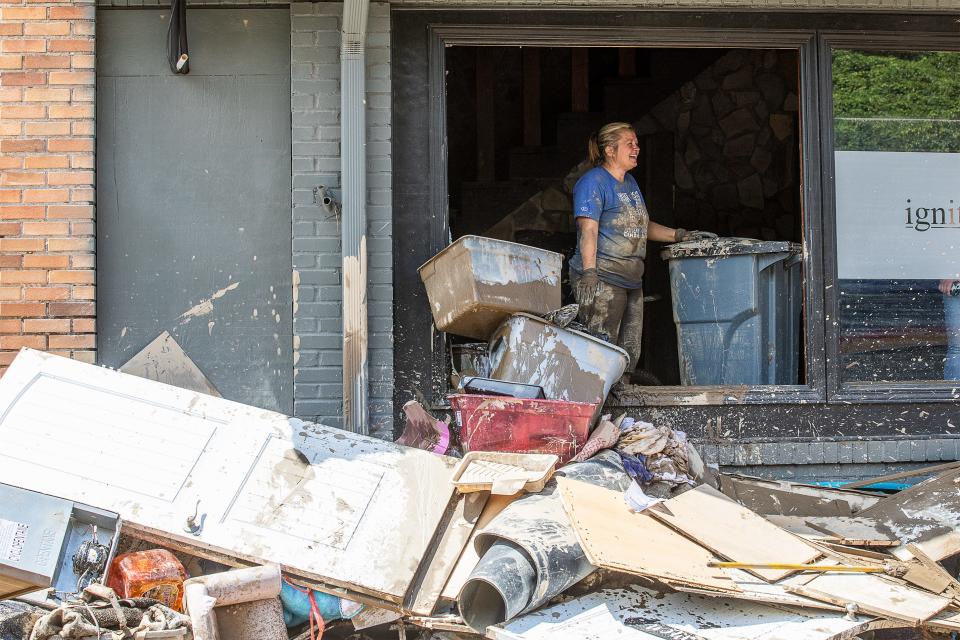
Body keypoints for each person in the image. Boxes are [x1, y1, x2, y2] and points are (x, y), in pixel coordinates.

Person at [568, 121, 715, 380]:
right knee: (601, 350)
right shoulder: (593, 183)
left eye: (636, 143)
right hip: (603, 278)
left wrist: (678, 235)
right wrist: (589, 272)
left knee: (628, 351)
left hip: (631, 278)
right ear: (610, 150)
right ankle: (597, 406)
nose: (637, 148)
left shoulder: (630, 183)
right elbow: (588, 230)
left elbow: (640, 225)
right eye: (630, 144)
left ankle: (623, 400)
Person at [938, 278, 960, 380]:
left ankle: (953, 392)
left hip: (955, 284)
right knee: (956, 348)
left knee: (956, 349)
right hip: (955, 286)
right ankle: (953, 391)